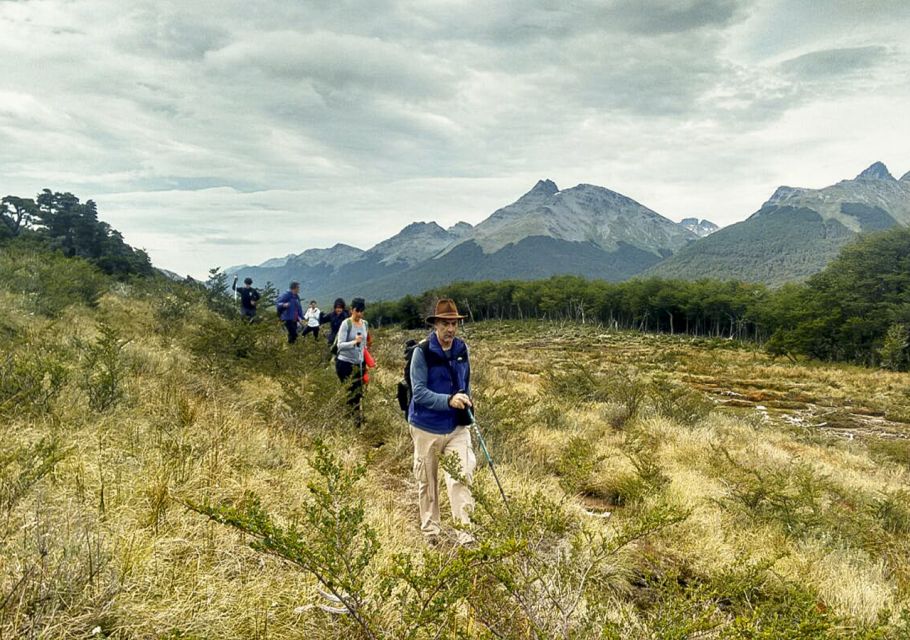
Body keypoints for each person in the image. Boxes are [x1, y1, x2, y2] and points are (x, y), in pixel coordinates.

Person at [408, 298, 475, 546]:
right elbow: (419, 393)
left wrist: (465, 402)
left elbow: (465, 382)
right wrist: (449, 401)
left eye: (454, 324)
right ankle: (431, 532)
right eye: (445, 323)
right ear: (435, 324)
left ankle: (466, 535)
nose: (450, 329)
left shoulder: (461, 349)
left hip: (457, 426)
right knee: (428, 481)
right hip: (426, 427)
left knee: (461, 476)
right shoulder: (421, 352)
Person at [334, 297, 368, 425]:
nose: (359, 314)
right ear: (351, 310)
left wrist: (365, 362)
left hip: (359, 362)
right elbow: (340, 345)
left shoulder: (365, 324)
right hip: (344, 363)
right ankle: (351, 420)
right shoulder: (346, 324)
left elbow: (364, 345)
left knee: (358, 392)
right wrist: (354, 342)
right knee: (350, 392)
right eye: (357, 311)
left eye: (361, 311)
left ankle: (357, 418)